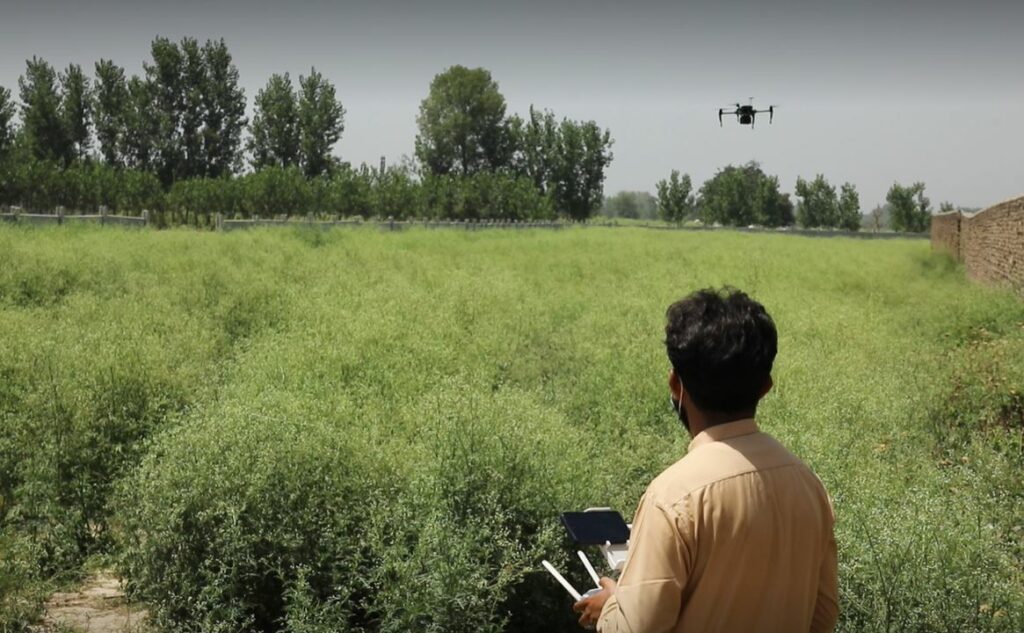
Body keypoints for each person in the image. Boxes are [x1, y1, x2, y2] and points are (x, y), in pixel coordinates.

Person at [573, 287, 838, 632]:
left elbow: (638, 628)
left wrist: (611, 606)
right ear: (765, 387)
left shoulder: (672, 497)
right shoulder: (809, 486)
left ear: (674, 385)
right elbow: (823, 617)